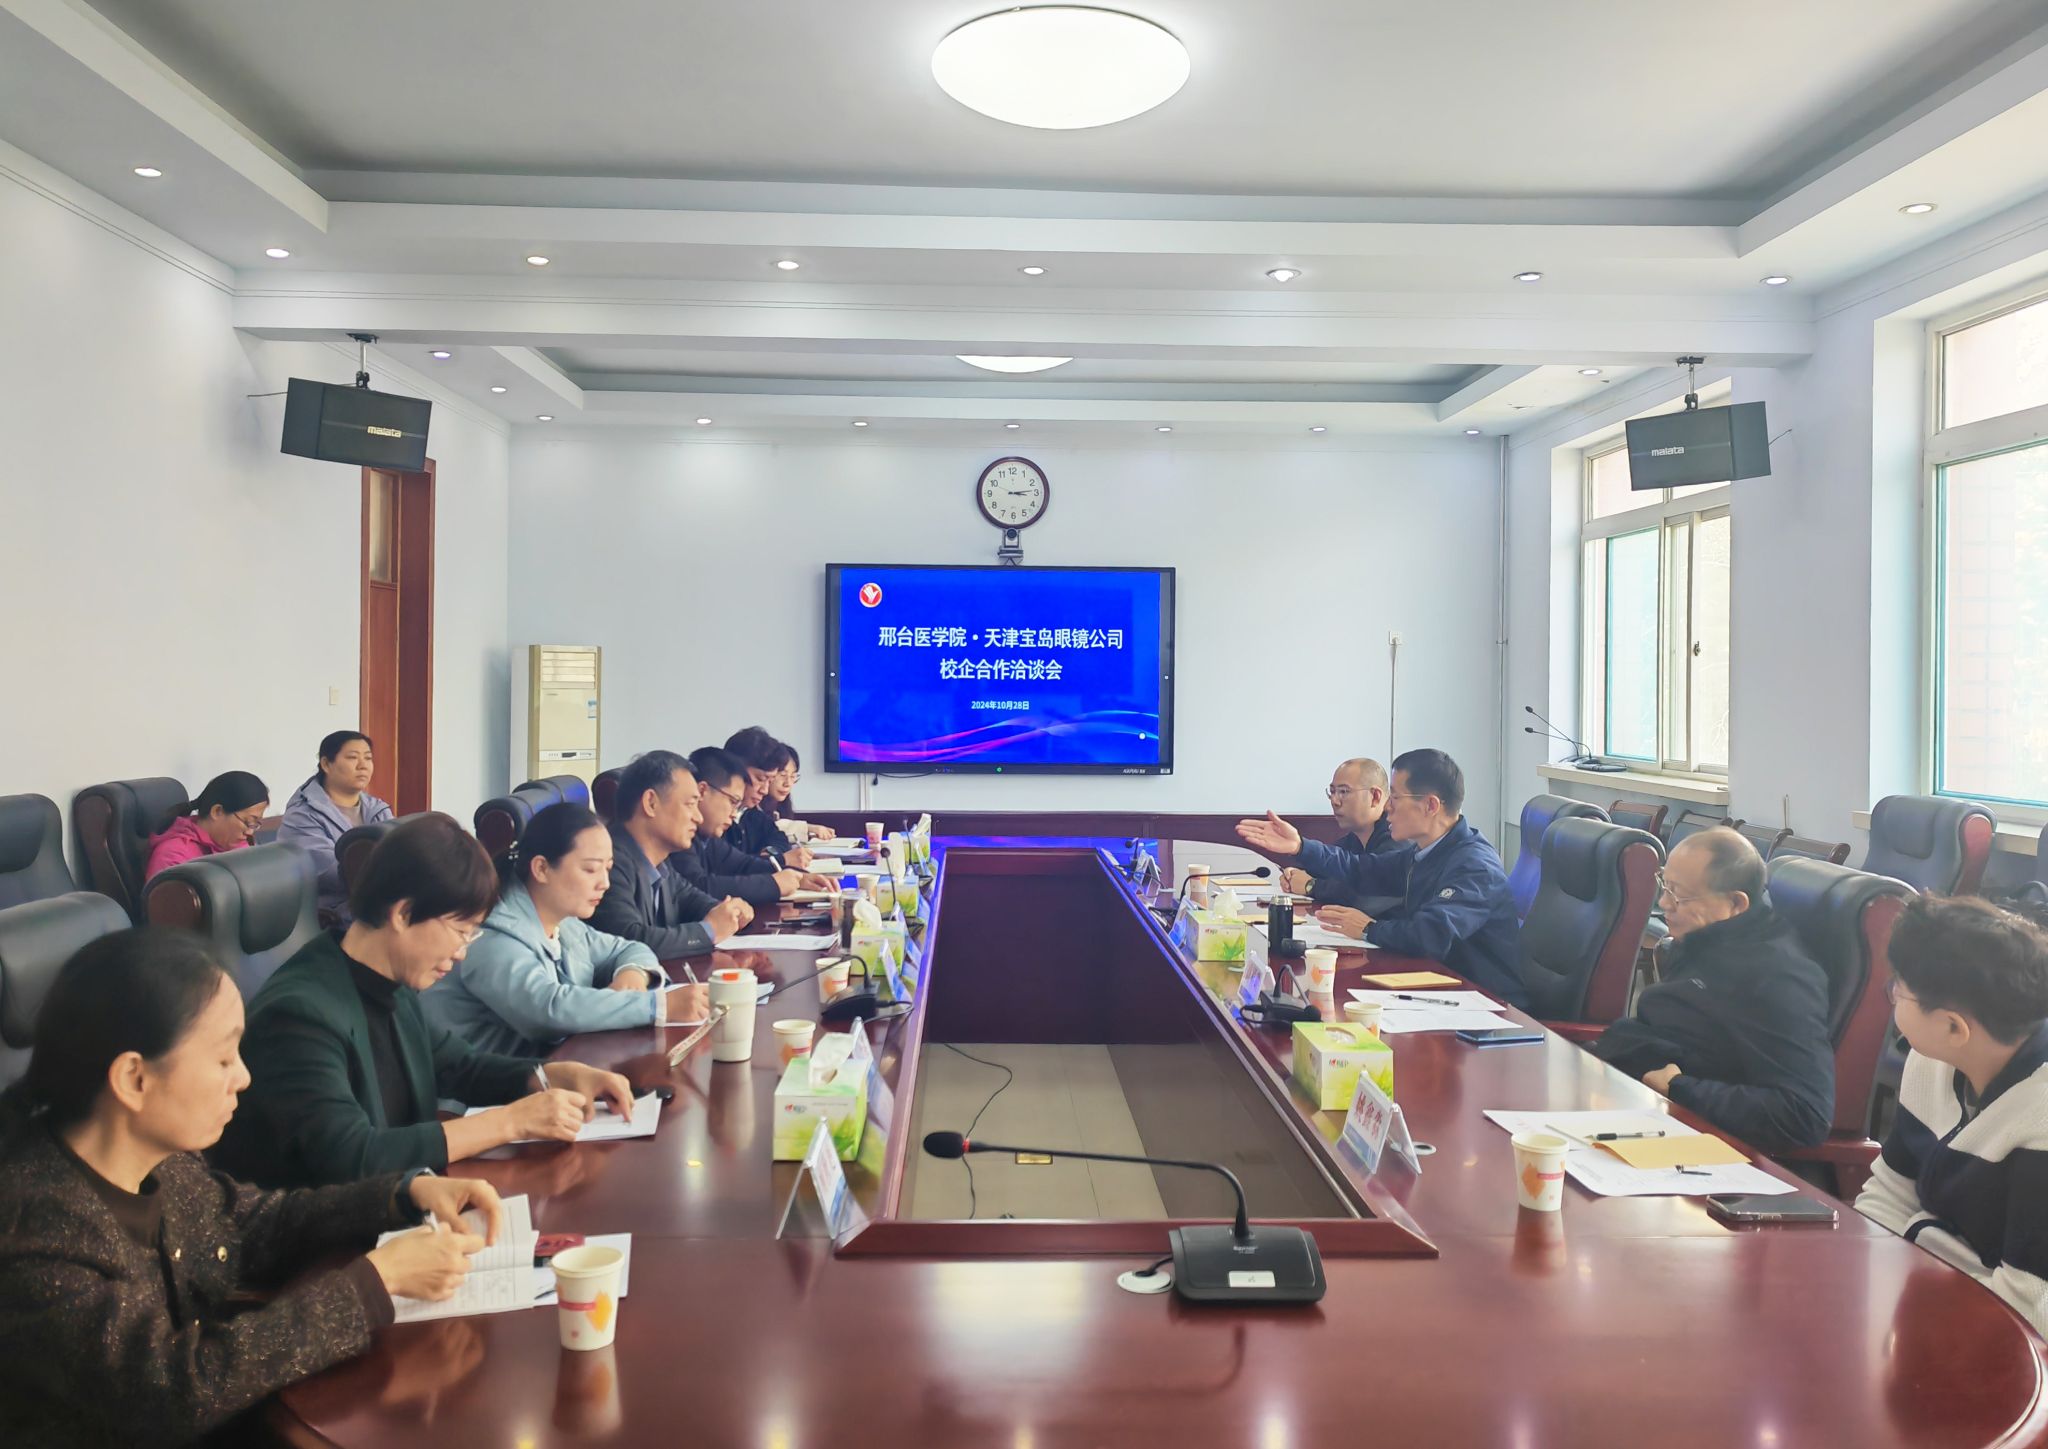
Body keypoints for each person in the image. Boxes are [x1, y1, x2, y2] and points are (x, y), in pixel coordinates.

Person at [0, 927, 503, 1448]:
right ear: (134, 1079)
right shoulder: (35, 1232)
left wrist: (402, 1195)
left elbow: (255, 1222)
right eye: (223, 1059)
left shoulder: (162, 1161)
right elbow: (173, 1389)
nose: (243, 1077)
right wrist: (376, 1283)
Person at [213, 813, 634, 1188]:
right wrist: (511, 1122)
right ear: (402, 913)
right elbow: (351, 1157)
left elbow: (458, 1065)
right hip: (327, 1237)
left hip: (399, 1204)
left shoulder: (389, 981)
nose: (463, 951)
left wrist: (551, 1075)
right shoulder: (299, 1015)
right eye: (461, 931)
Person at [1857, 894, 2048, 1338]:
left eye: (1898, 989)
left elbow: (2028, 1307)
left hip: (2006, 1346)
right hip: (1933, 1302)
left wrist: (1918, 1251)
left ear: (1953, 1027)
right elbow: (1888, 1195)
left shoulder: (2040, 1117)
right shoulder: (1934, 1059)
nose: (1891, 998)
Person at [1591, 829, 1833, 1151]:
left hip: (1690, 1134)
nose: (1664, 904)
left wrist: (1679, 1087)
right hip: (1637, 1098)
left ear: (1735, 903)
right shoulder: (1705, 940)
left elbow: (1804, 1115)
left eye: (1678, 895)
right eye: (1665, 885)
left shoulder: (1778, 977)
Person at [1237, 748, 1527, 1010]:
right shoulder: (1424, 852)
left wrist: (1368, 928)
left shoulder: (1475, 866)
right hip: (1438, 986)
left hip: (1487, 1004)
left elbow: (1430, 935)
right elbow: (1361, 869)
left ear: (1430, 805)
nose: (1388, 807)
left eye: (1396, 798)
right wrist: (1300, 846)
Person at [425, 802, 710, 1058]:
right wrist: (656, 1006)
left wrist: (633, 974)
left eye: (608, 869)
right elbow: (548, 1009)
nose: (605, 883)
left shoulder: (565, 923)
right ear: (541, 869)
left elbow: (629, 948)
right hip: (488, 1092)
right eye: (590, 870)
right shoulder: (491, 936)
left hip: (552, 1072)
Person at [588, 750, 753, 960]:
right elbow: (629, 940)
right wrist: (709, 931)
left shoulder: (660, 862)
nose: (698, 817)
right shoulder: (609, 862)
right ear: (651, 803)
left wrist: (727, 911)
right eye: (690, 804)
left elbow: (689, 898)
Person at [675, 748, 834, 908]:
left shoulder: (707, 837)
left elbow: (742, 864)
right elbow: (697, 887)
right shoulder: (677, 835)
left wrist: (797, 877)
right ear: (702, 791)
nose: (734, 814)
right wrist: (773, 884)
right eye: (732, 802)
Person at [276, 730, 395, 923]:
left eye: (368, 758)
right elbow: (330, 873)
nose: (363, 765)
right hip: (334, 916)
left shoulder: (377, 808)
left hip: (377, 904)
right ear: (326, 764)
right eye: (352, 758)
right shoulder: (303, 814)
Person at [1278, 757, 1398, 907]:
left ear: (1375, 797)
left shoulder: (1398, 837)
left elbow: (1368, 896)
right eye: (1332, 791)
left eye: (1343, 792)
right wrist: (1293, 874)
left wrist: (1312, 885)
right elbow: (1329, 866)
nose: (1334, 801)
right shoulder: (1354, 838)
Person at [143, 771, 270, 881]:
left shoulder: (239, 847)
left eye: (255, 824)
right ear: (217, 811)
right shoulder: (173, 856)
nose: (249, 832)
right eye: (248, 822)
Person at [723, 727, 814, 868]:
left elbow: (779, 839)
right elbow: (725, 866)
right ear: (735, 770)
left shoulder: (751, 813)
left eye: (770, 781)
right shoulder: (715, 815)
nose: (765, 790)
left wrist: (770, 853)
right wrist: (776, 861)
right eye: (760, 779)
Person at [764, 744, 836, 842]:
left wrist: (809, 835)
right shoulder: (753, 807)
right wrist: (808, 828)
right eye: (782, 775)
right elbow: (769, 829)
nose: (788, 783)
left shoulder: (780, 807)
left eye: (793, 776)